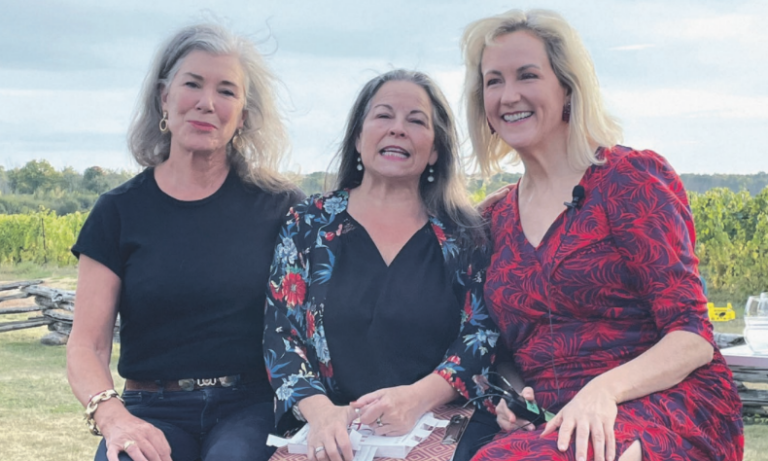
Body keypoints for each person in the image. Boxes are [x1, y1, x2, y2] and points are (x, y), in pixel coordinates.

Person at [460, 9, 744, 461]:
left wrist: (603, 391)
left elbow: (692, 336)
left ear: (567, 86)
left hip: (664, 404)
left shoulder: (629, 179)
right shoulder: (496, 219)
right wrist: (514, 396)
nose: (508, 95)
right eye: (493, 81)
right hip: (556, 418)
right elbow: (511, 350)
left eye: (527, 75)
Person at [67, 23, 302, 461]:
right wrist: (114, 417)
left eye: (227, 91)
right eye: (192, 84)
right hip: (150, 408)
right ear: (164, 97)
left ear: (244, 115)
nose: (207, 103)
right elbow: (87, 345)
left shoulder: (281, 207)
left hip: (251, 408)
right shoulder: (118, 212)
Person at [263, 69, 500, 461]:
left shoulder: (464, 235)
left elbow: (480, 336)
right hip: (331, 423)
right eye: (384, 115)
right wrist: (322, 414)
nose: (398, 129)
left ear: (436, 149)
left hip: (438, 422)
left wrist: (415, 400)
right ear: (358, 137)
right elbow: (281, 335)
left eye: (416, 120)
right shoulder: (307, 224)